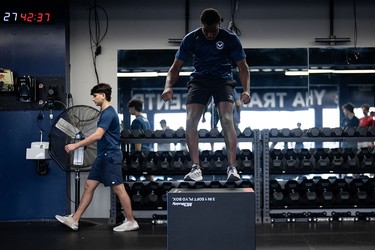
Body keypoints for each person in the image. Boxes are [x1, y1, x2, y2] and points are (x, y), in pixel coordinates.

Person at [161, 8, 251, 182]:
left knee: (226, 118)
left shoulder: (230, 38)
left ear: (219, 24)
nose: (210, 35)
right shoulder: (191, 38)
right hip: (199, 80)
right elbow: (175, 68)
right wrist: (167, 86)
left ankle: (232, 168)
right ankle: (196, 169)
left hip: (222, 80)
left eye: (214, 31)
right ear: (201, 25)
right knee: (190, 119)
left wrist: (246, 90)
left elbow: (243, 67)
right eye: (206, 31)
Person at [55, 83, 139, 232]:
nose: (93, 99)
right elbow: (100, 135)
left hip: (110, 157)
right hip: (102, 157)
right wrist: (84, 138)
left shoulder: (108, 113)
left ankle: (131, 221)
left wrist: (76, 145)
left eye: (95, 96)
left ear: (103, 95)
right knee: (89, 186)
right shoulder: (104, 113)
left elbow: (98, 135)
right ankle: (74, 220)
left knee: (119, 189)